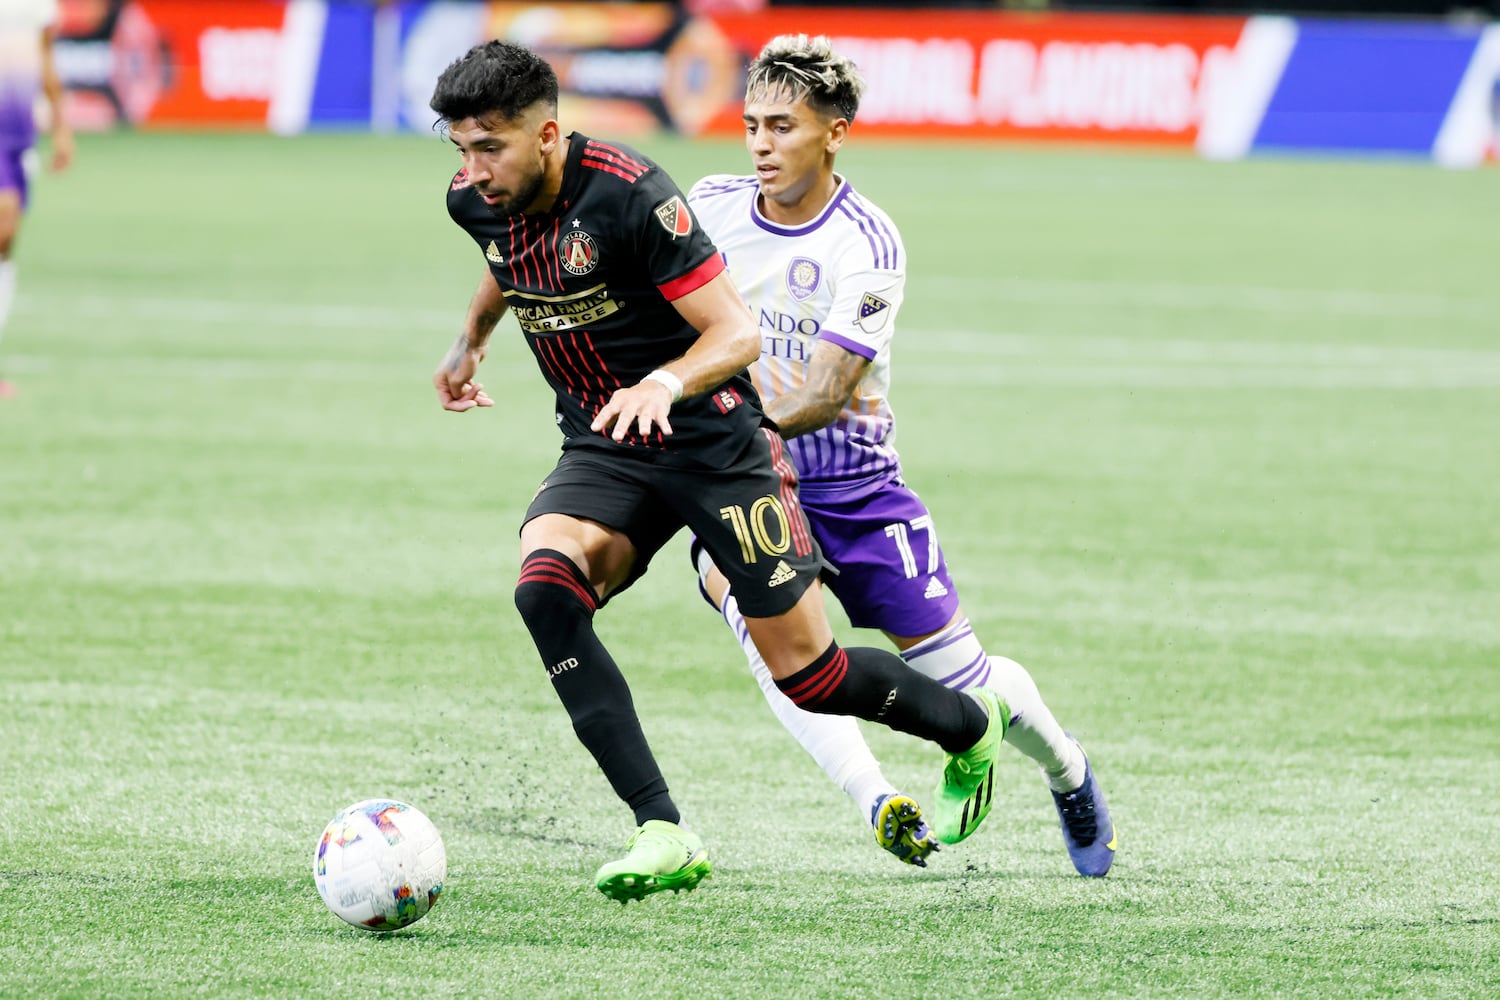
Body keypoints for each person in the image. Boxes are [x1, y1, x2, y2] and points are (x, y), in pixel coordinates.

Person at [427, 40, 1011, 904]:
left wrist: (662, 383)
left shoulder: (633, 193)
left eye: (491, 147)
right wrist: (470, 339)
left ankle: (970, 725)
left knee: (811, 678)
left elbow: (736, 335)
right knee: (545, 587)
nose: (473, 170)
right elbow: (508, 258)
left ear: (548, 135)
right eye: (460, 149)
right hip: (605, 441)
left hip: (714, 438)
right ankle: (661, 827)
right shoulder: (476, 199)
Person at [686, 34, 1115, 876]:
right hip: (748, 488)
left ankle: (1067, 768)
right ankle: (875, 798)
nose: (762, 143)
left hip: (855, 489)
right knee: (777, 646)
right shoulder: (710, 205)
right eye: (752, 124)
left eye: (784, 125)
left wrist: (731, 428)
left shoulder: (867, 241)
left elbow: (829, 391)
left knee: (966, 679)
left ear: (835, 131)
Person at [0, 0, 73, 398]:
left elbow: (46, 58)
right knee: (4, 218)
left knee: (5, 245)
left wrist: (61, 127)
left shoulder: (38, 5)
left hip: (19, 134)